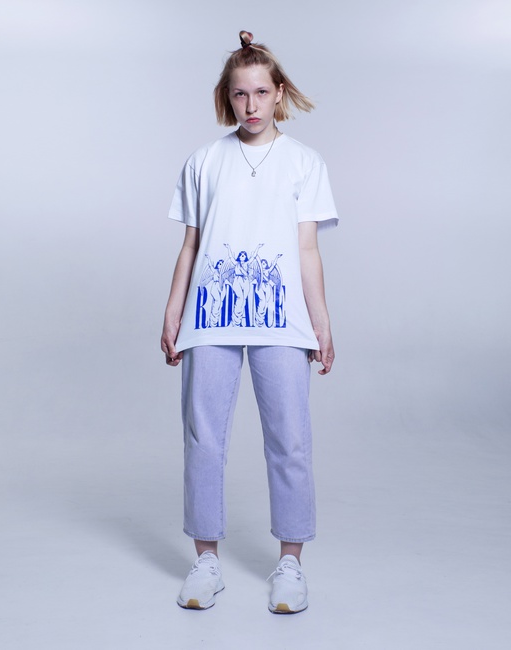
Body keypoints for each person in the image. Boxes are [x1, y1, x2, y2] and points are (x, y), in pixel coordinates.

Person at [161, 30, 338, 614]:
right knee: (203, 436)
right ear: (227, 97)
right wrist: (172, 312)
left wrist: (321, 323)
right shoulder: (204, 162)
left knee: (289, 438)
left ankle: (290, 563)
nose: (252, 104)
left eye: (262, 92)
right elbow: (191, 246)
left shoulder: (305, 163)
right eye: (240, 94)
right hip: (209, 316)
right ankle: (206, 561)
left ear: (279, 93)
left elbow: (307, 251)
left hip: (281, 319)